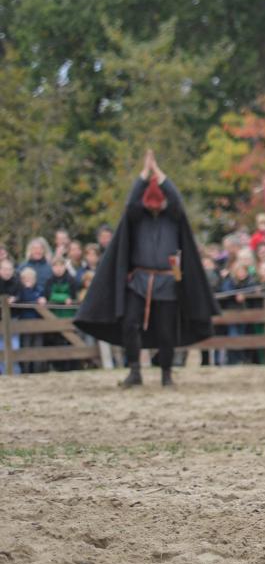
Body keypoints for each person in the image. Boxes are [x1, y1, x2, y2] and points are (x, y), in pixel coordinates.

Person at [74, 150, 216, 387]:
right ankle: (134, 371)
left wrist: (159, 174)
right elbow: (130, 203)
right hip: (139, 282)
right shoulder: (136, 218)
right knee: (130, 324)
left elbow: (177, 200)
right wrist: (142, 175)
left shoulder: (174, 218)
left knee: (166, 331)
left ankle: (167, 374)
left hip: (167, 282)